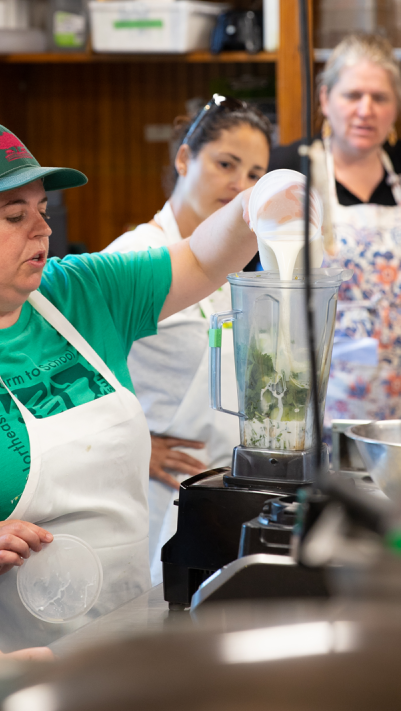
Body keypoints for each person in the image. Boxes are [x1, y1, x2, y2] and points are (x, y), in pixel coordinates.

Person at [0, 121, 257, 651]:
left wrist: (257, 205)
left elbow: (203, 258)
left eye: (43, 212)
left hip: (119, 637)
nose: (42, 230)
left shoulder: (81, 291)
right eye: (14, 216)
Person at [103, 96, 271, 585]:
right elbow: (67, 368)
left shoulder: (242, 269)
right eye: (226, 164)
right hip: (153, 491)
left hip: (221, 489)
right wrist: (136, 447)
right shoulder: (135, 256)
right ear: (183, 158)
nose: (240, 186)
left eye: (256, 174)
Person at [268, 33, 401, 422]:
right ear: (325, 100)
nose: (366, 110)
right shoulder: (291, 169)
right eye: (353, 95)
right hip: (328, 389)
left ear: (395, 107)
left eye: (380, 98)